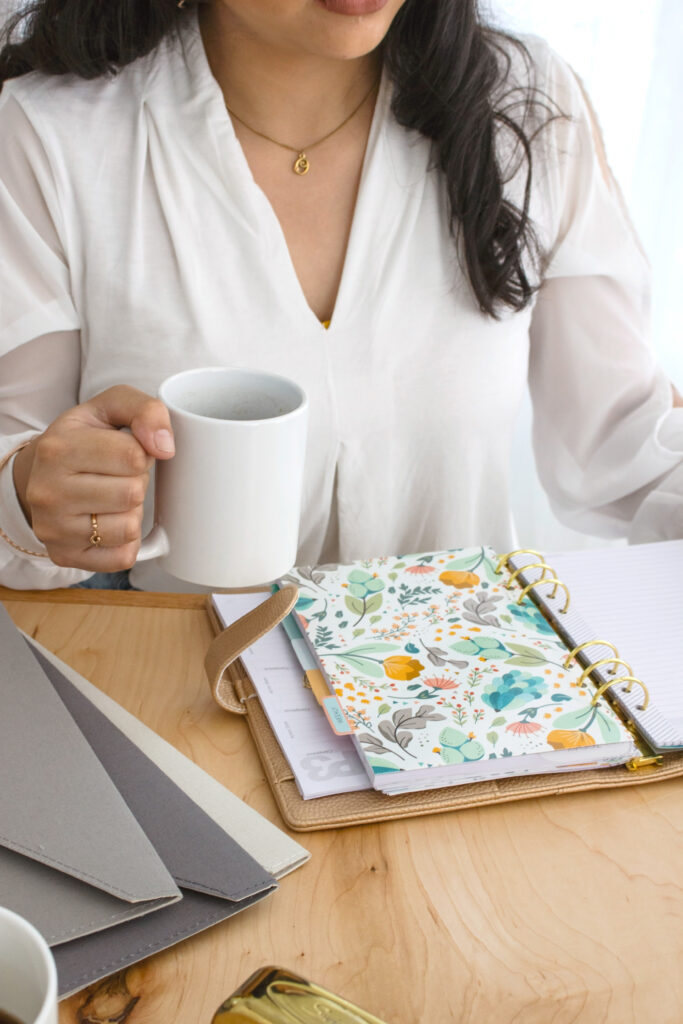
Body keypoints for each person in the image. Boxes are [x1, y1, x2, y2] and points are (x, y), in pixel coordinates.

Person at [0, 0, 681, 592]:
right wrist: (39, 493)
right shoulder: (47, 135)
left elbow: (625, 443)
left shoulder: (525, 100)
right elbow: (21, 472)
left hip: (471, 703)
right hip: (173, 689)